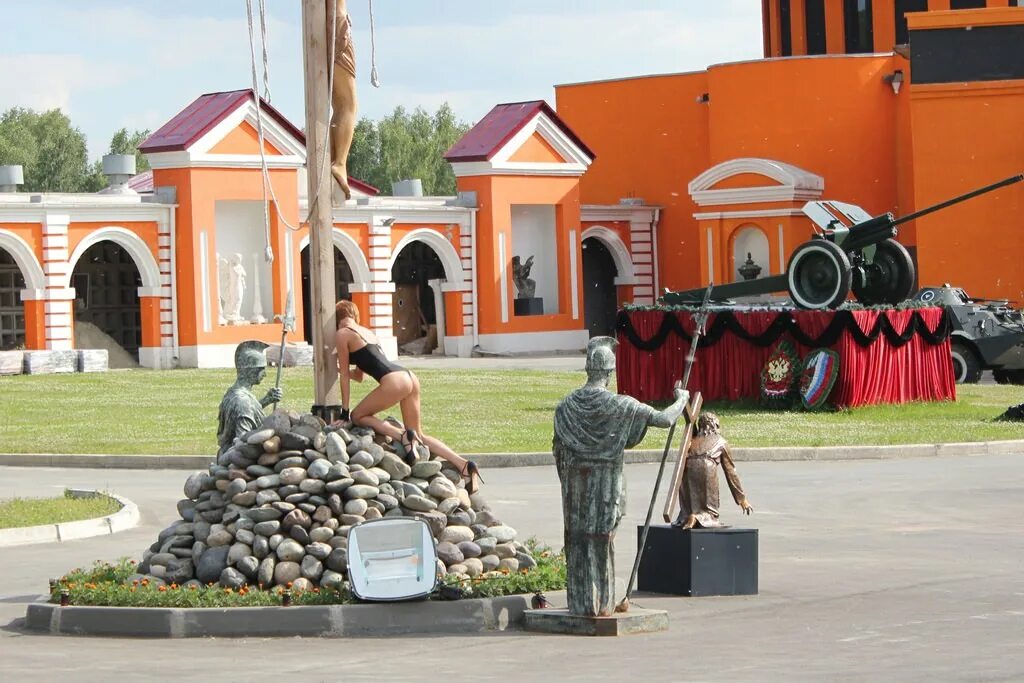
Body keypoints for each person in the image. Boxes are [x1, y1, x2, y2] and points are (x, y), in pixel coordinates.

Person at [552, 336, 688, 617]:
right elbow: (664, 419)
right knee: (602, 539)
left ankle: (581, 603)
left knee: (577, 540)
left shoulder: (565, 407)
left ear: (588, 369)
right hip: (607, 482)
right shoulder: (622, 405)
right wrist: (682, 399)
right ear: (609, 372)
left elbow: (558, 450)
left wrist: (567, 480)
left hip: (575, 485)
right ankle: (603, 603)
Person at [333, 299, 483, 493]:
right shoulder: (368, 333)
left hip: (394, 380)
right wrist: (339, 369)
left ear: (337, 319)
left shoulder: (342, 334)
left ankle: (402, 435)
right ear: (354, 315)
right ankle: (464, 465)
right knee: (419, 434)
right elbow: (360, 375)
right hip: (409, 376)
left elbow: (346, 376)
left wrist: (344, 412)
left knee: (357, 416)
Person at [673, 411, 753, 529]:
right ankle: (699, 518)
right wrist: (742, 499)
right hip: (706, 465)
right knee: (709, 509)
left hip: (687, 465)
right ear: (715, 425)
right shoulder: (721, 441)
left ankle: (688, 516)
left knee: (689, 501)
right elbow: (730, 472)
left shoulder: (692, 440)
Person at [216, 340, 283, 454]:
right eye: (262, 369)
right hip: (236, 462)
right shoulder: (243, 402)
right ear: (251, 371)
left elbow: (246, 412)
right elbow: (244, 441)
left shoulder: (234, 393)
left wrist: (266, 400)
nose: (265, 374)